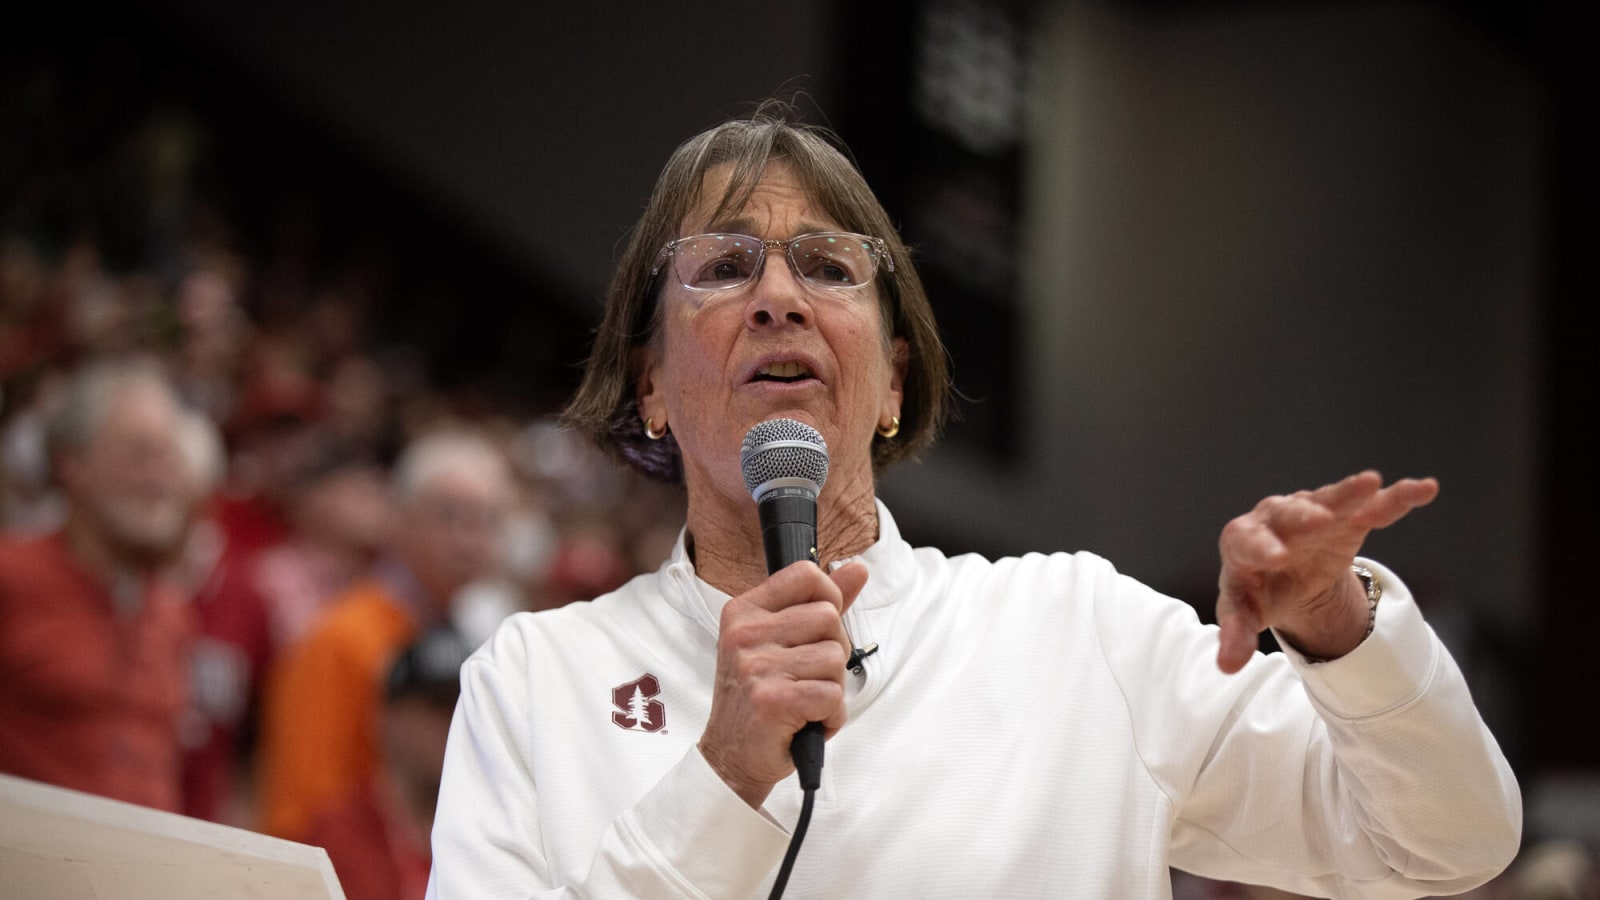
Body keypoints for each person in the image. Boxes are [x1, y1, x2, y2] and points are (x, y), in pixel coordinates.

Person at [426, 103, 1521, 898]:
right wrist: (721, 779)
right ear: (651, 385)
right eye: (720, 269)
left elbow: (1443, 843)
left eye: (826, 265)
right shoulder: (532, 682)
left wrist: (1332, 628)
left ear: (893, 380)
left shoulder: (1077, 631)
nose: (775, 299)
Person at [255, 425, 513, 841]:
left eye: (486, 521)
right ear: (400, 519)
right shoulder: (341, 638)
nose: (468, 539)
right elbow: (302, 808)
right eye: (449, 516)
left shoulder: (483, 641)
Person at [0, 356, 200, 812]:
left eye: (170, 457)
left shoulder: (175, 612)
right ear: (73, 465)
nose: (158, 478)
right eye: (139, 454)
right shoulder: (9, 578)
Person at [306, 623, 474, 900]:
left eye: (464, 706)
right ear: (388, 720)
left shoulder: (492, 831)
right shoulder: (333, 841)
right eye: (437, 706)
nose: (455, 723)